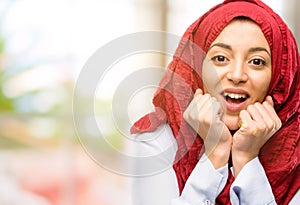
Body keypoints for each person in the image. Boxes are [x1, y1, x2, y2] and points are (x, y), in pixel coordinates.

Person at [130, 0, 299, 204]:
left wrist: (246, 160)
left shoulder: (295, 151)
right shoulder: (157, 141)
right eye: (220, 58)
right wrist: (215, 154)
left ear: (279, 79)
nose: (237, 75)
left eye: (256, 61)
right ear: (195, 67)